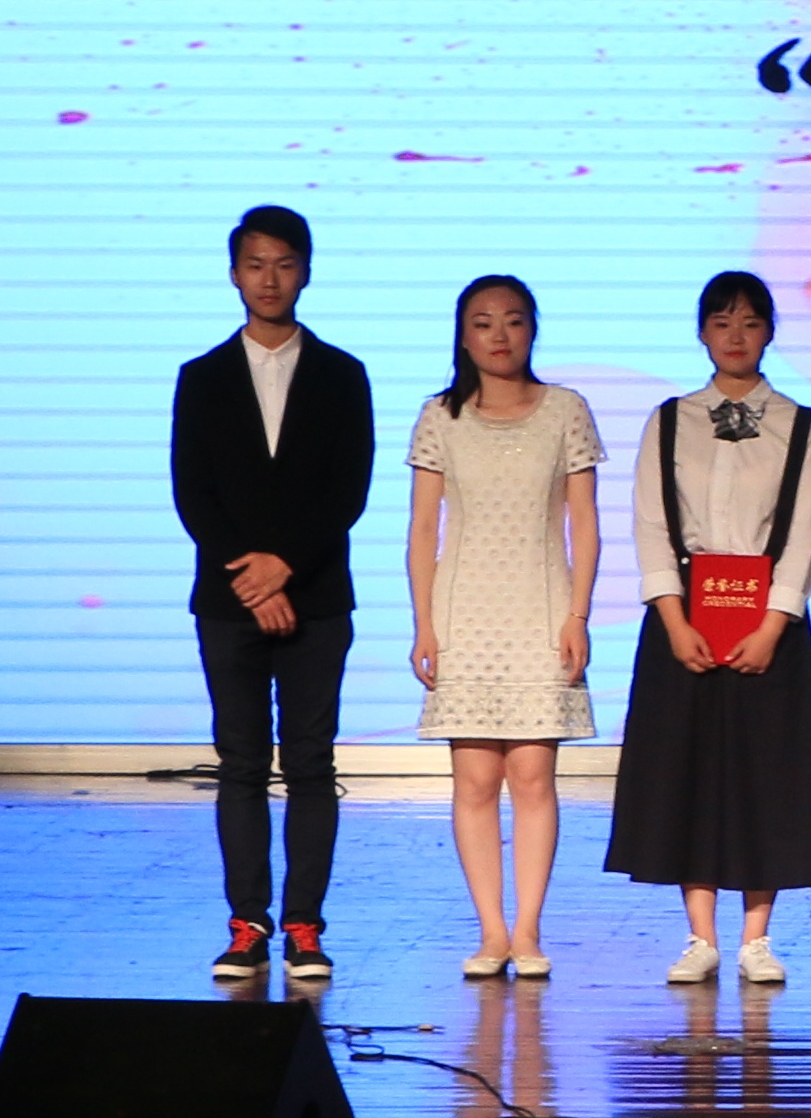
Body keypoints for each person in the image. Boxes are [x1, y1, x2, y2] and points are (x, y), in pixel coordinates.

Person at [611, 270, 811, 983]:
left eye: (749, 322)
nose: (735, 336)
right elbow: (651, 525)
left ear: (769, 332)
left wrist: (773, 625)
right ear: (701, 333)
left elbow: (804, 535)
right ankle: (699, 936)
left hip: (768, 622)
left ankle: (756, 938)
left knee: (766, 773)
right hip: (685, 618)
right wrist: (672, 620)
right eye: (721, 322)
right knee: (688, 772)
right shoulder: (669, 420)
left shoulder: (800, 425)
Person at [172, 205, 377, 985]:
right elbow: (193, 493)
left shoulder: (342, 374)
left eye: (284, 263)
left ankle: (304, 925)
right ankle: (247, 923)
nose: (269, 279)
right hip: (228, 604)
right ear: (234, 273)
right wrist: (252, 580)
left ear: (306, 271)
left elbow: (347, 490)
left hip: (316, 599)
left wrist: (285, 566)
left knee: (312, 762)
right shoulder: (201, 377)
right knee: (241, 764)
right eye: (255, 264)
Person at [406, 274, 601, 981]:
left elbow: (585, 523)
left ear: (533, 330)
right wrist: (425, 625)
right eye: (483, 322)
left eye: (514, 320)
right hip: (466, 613)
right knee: (475, 778)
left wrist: (577, 614)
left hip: (540, 610)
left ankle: (527, 930)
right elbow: (423, 528)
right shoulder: (439, 416)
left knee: (533, 774)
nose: (499, 334)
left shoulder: (566, 411)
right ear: (463, 336)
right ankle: (491, 931)